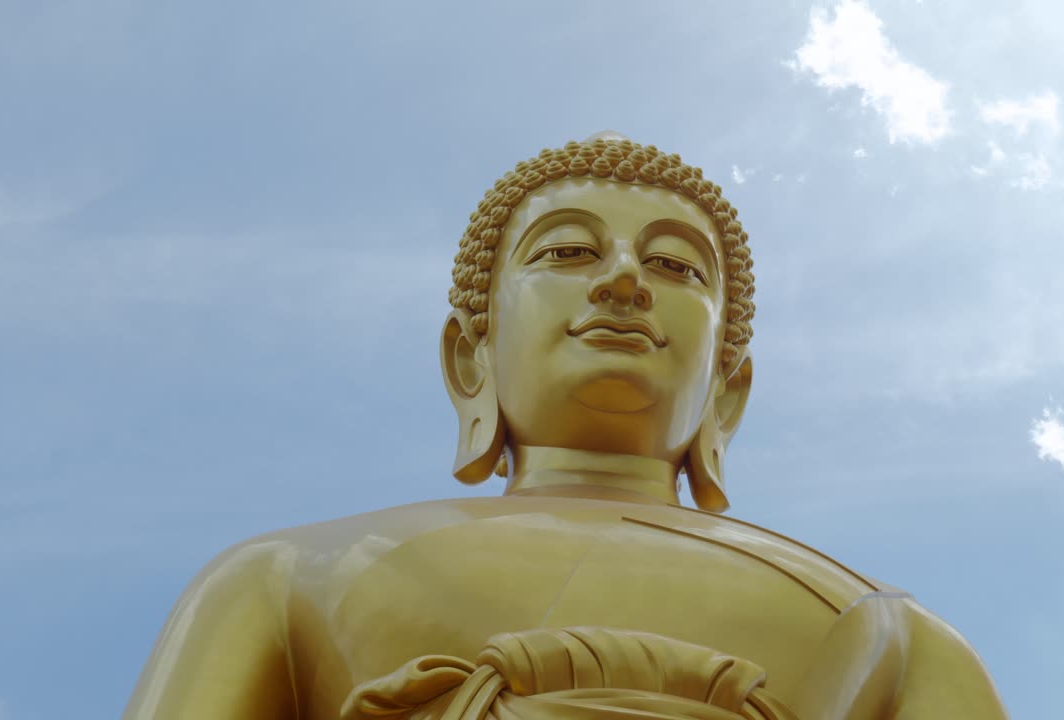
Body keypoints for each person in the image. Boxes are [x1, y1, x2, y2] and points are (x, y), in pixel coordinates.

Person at [124, 133, 1008, 719]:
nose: (625, 281)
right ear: (471, 357)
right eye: (568, 251)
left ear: (727, 393)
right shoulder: (285, 579)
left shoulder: (885, 633)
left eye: (673, 265)